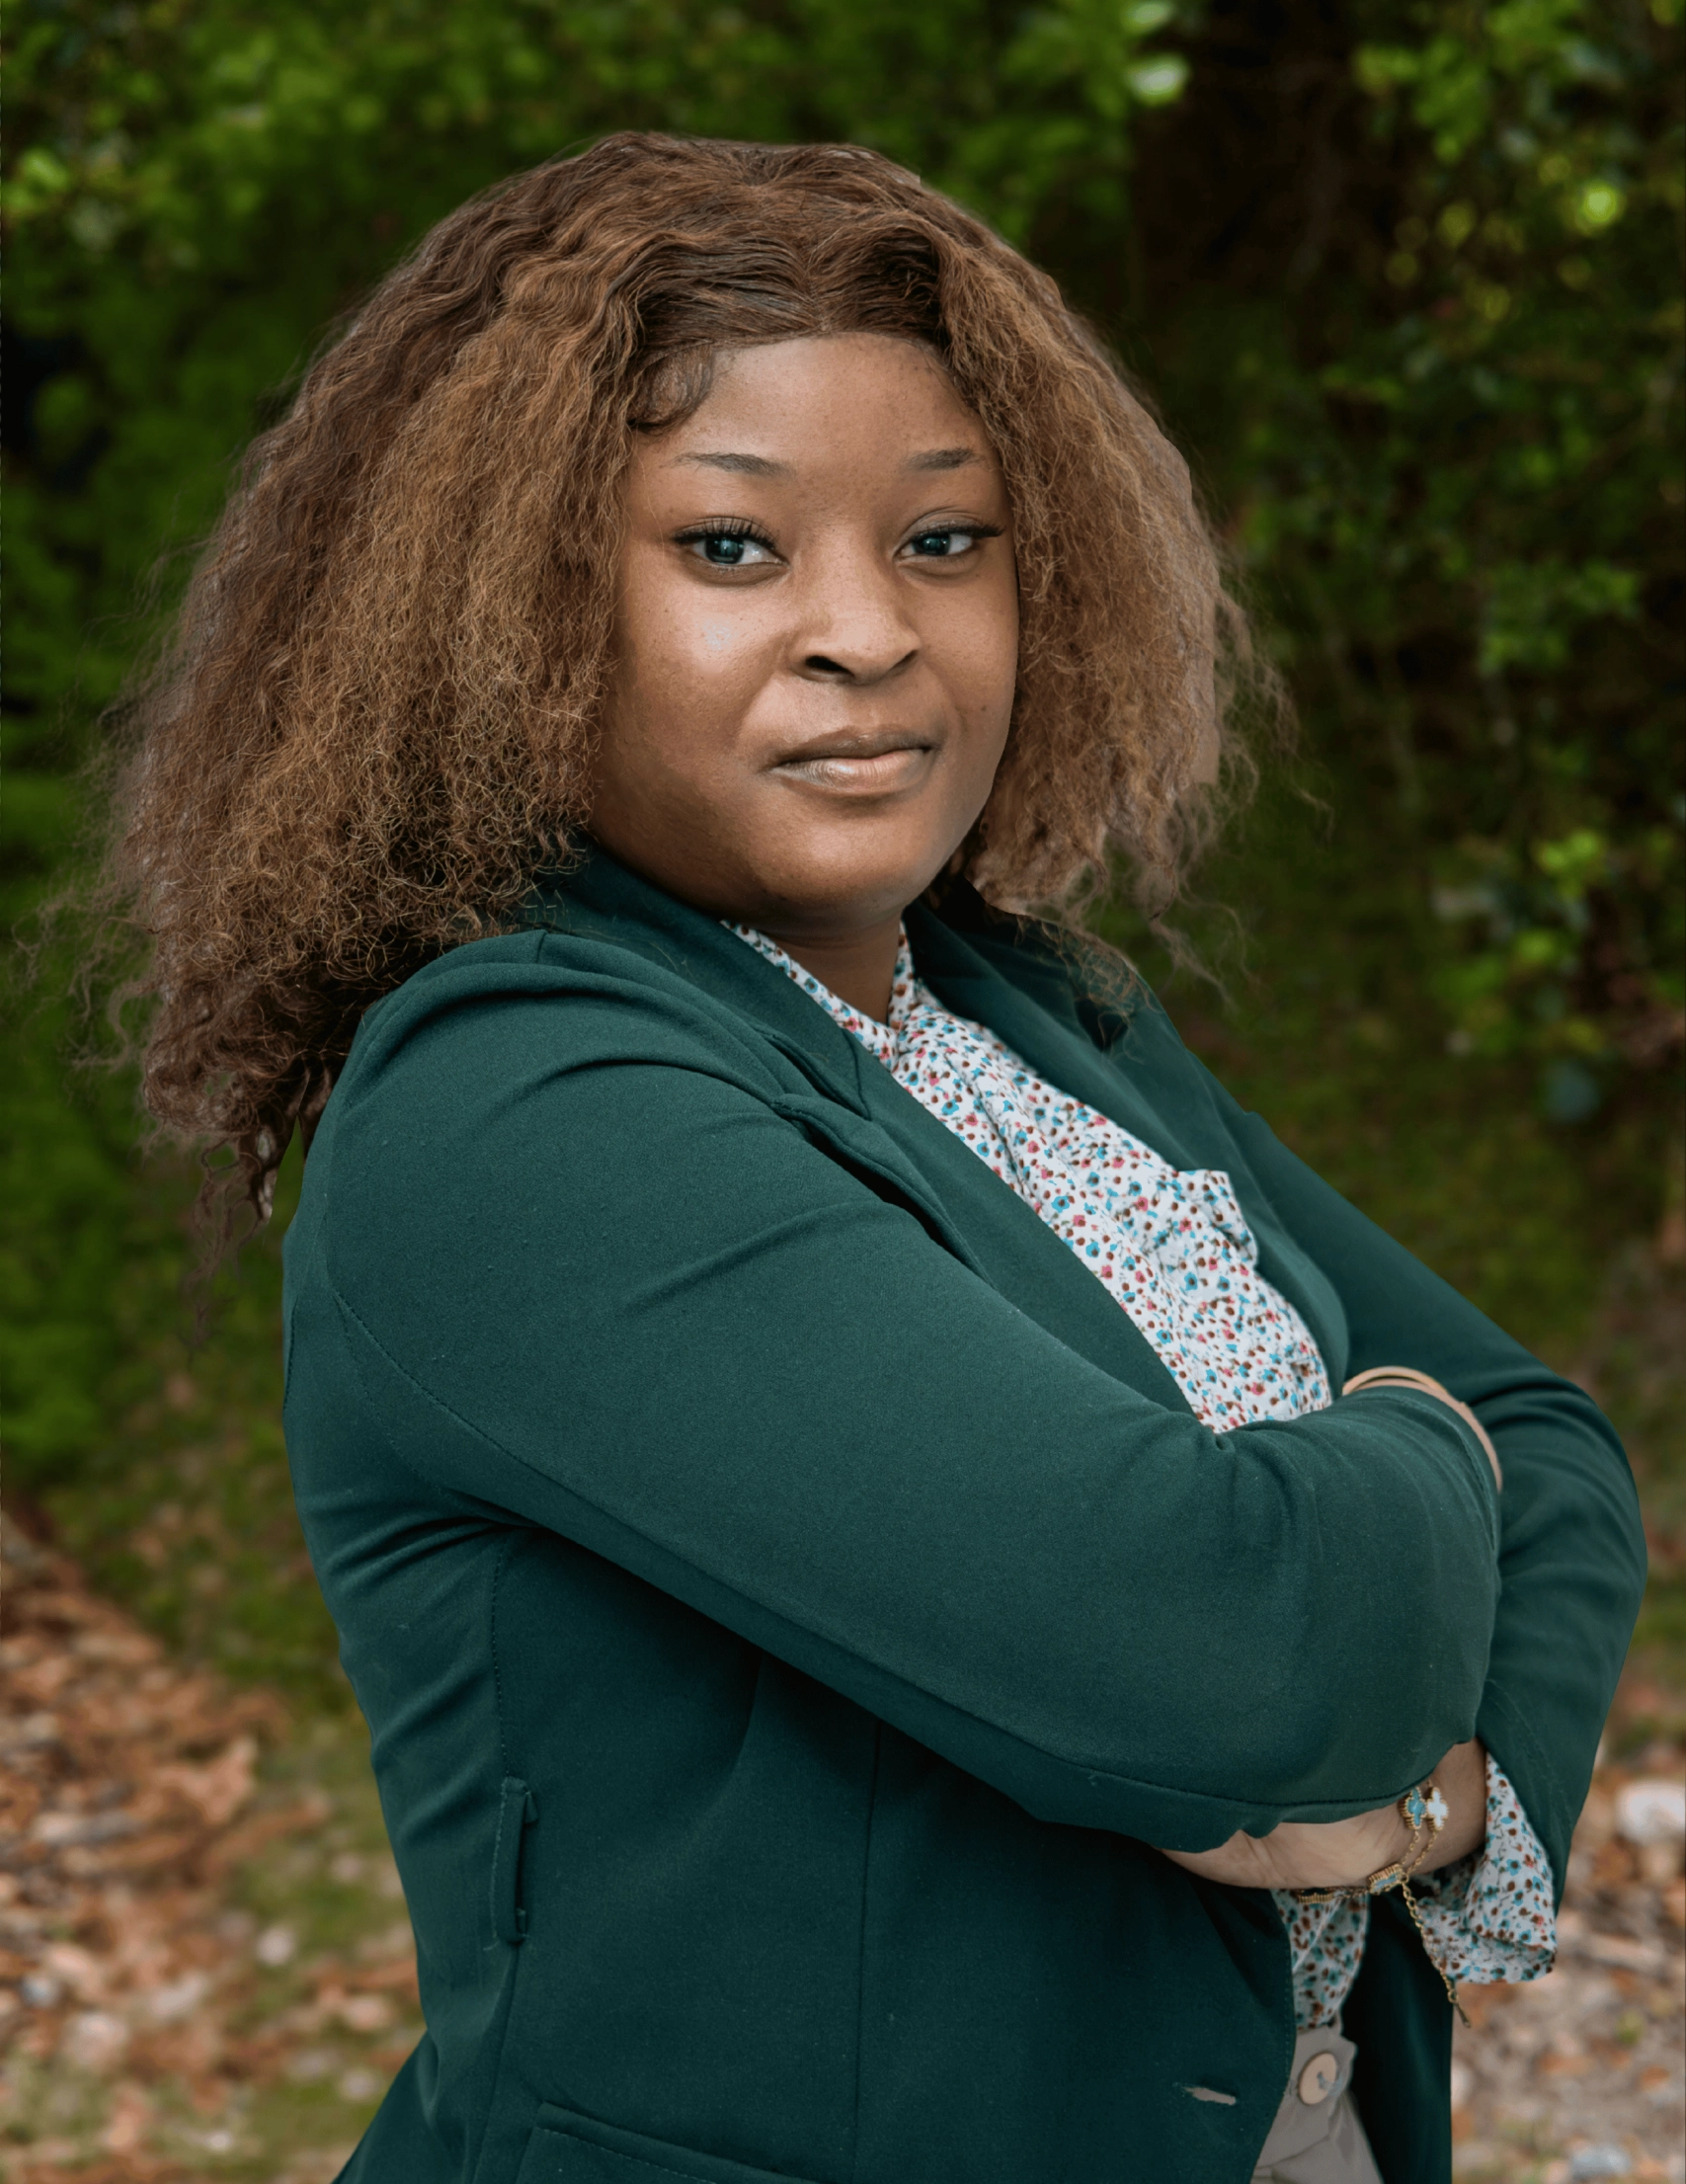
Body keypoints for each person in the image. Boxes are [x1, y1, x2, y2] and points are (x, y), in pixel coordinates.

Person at [107, 134, 1646, 2183]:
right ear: (510, 609)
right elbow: (1233, 1637)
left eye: (945, 539)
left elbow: (1557, 1440)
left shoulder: (1028, 1010)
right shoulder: (523, 1108)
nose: (868, 632)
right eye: (730, 548)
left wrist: (1419, 1806)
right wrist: (1399, 1460)